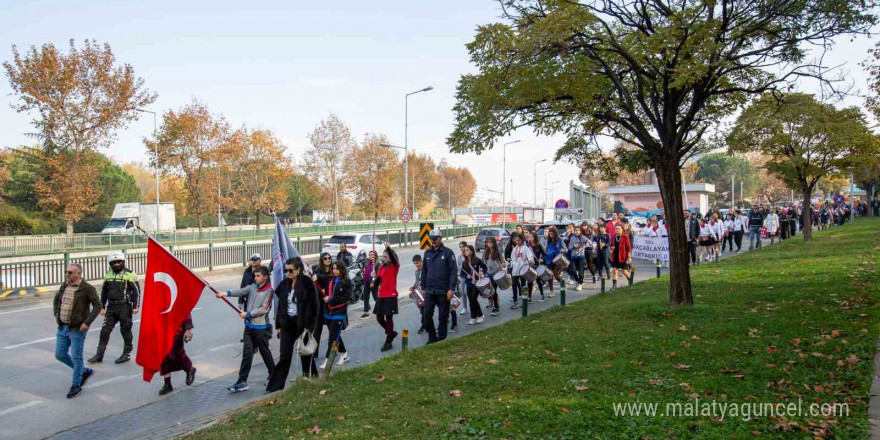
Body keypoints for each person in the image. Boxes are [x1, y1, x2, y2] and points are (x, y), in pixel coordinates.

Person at [216, 265, 275, 393]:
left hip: (261, 328)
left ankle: (273, 374)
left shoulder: (269, 291)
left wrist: (248, 314)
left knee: (265, 352)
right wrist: (225, 293)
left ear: (265, 277)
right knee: (247, 354)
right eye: (255, 275)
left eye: (258, 276)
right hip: (249, 327)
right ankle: (242, 381)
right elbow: (242, 291)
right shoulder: (252, 287)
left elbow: (264, 309)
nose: (256, 278)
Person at [266, 257, 320, 393]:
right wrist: (279, 324)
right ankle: (275, 386)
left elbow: (315, 306)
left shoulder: (307, 283)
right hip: (287, 323)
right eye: (286, 270)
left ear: (298, 270)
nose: (288, 273)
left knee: (305, 353)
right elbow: (280, 306)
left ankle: (311, 378)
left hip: (302, 324)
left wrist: (309, 325)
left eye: (290, 270)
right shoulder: (285, 284)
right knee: (284, 355)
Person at [54, 263, 101, 399]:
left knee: (76, 356)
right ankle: (84, 371)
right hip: (63, 327)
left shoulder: (87, 288)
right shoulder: (64, 285)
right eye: (66, 272)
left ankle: (76, 385)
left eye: (70, 272)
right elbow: (57, 300)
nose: (67, 274)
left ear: (78, 274)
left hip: (77, 329)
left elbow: (98, 306)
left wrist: (87, 322)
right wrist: (56, 315)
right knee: (60, 354)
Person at [89, 251, 140, 364]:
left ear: (123, 262)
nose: (116, 264)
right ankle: (99, 354)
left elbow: (136, 291)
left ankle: (126, 353)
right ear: (110, 263)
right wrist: (102, 306)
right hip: (111, 307)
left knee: (125, 330)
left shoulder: (130, 274)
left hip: (124, 307)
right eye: (114, 262)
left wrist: (136, 306)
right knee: (104, 331)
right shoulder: (108, 274)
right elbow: (104, 292)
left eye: (119, 262)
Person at [420, 229, 458, 344]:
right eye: (431, 239)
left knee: (443, 317)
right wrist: (423, 287)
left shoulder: (448, 253)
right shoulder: (427, 253)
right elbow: (424, 271)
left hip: (443, 291)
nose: (433, 241)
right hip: (430, 290)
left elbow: (453, 271)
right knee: (426, 315)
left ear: (440, 238)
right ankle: (432, 338)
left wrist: (451, 288)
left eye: (435, 238)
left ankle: (441, 338)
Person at [319, 262, 352, 368]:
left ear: (342, 270)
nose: (335, 271)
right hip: (328, 312)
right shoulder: (330, 280)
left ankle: (328, 360)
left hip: (339, 312)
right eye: (333, 269)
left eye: (337, 269)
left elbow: (346, 298)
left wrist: (331, 299)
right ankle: (344, 354)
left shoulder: (346, 281)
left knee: (332, 337)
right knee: (335, 335)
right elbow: (320, 277)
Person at [158, 314, 197, 395]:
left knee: (175, 353)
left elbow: (185, 308)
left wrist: (188, 328)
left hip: (177, 324)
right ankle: (167, 383)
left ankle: (189, 368)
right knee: (163, 353)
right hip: (162, 322)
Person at [374, 242, 401, 351]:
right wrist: (373, 280)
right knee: (379, 318)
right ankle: (391, 332)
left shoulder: (395, 266)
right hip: (382, 295)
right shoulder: (381, 268)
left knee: (389, 318)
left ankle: (388, 341)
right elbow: (378, 282)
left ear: (390, 257)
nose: (383, 258)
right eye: (383, 257)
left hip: (391, 295)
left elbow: (394, 260)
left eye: (385, 257)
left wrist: (389, 248)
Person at [462, 245, 487, 325]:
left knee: (473, 299)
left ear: (472, 251)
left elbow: (484, 267)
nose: (465, 252)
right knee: (471, 300)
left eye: (467, 250)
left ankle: (479, 315)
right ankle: (473, 317)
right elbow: (462, 274)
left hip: (476, 283)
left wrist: (482, 272)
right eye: (465, 250)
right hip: (469, 284)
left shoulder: (477, 260)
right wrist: (466, 276)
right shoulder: (464, 263)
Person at [508, 233, 535, 307]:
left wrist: (531, 260)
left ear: (522, 240)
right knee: (514, 284)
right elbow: (513, 258)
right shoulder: (515, 249)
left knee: (523, 285)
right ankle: (515, 302)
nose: (517, 242)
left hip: (523, 269)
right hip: (515, 270)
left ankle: (524, 301)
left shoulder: (525, 248)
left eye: (518, 240)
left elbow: (530, 256)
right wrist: (512, 263)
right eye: (516, 241)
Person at [483, 236, 507, 311]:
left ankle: (496, 306)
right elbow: (483, 263)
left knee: (493, 290)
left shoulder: (497, 251)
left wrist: (503, 264)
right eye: (488, 242)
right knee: (489, 290)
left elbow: (503, 261)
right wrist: (484, 271)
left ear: (494, 243)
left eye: (491, 242)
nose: (489, 244)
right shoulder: (485, 252)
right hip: (488, 274)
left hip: (496, 274)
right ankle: (492, 301)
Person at [544, 226, 566, 296]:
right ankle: (551, 291)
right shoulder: (549, 240)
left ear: (555, 234)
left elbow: (566, 248)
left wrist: (563, 250)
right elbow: (546, 250)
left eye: (552, 234)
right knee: (550, 276)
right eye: (550, 234)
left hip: (557, 261)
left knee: (556, 275)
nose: (551, 236)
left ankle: (563, 283)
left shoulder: (560, 240)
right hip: (549, 261)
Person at [608, 225, 632, 290]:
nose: (617, 230)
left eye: (618, 228)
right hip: (615, 256)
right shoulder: (613, 237)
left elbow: (628, 247)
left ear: (622, 230)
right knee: (615, 270)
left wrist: (629, 257)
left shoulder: (625, 236)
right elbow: (611, 246)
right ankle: (614, 286)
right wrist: (611, 248)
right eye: (616, 229)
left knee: (624, 271)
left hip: (623, 256)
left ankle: (631, 281)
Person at [526, 231, 547, 301]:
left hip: (537, 266)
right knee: (529, 282)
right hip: (530, 266)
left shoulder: (539, 246)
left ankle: (542, 295)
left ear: (535, 238)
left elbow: (544, 254)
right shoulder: (527, 246)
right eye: (529, 237)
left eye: (532, 237)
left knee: (538, 281)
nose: (530, 238)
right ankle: (529, 298)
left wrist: (542, 259)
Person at [360, 250, 379, 319]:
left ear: (375, 255)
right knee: (365, 297)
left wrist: (373, 282)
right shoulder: (367, 262)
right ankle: (366, 312)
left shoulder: (377, 264)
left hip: (373, 283)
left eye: (372, 255)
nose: (371, 256)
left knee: (375, 297)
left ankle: (381, 310)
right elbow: (366, 272)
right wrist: (363, 272)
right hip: (366, 282)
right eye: (370, 255)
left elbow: (377, 275)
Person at [410, 254, 426, 334]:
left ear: (421, 261)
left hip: (425, 293)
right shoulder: (416, 271)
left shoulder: (425, 270)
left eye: (417, 263)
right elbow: (416, 282)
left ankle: (423, 326)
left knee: (425, 311)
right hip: (419, 294)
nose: (416, 265)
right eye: (415, 263)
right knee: (421, 310)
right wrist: (413, 287)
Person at [568, 226, 586, 291]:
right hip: (573, 256)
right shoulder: (572, 238)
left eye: (578, 230)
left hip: (581, 256)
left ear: (580, 231)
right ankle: (577, 280)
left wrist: (588, 244)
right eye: (576, 230)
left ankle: (580, 283)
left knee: (581, 271)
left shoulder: (583, 237)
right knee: (572, 270)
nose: (577, 231)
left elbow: (589, 242)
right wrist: (573, 246)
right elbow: (569, 247)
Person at [456, 241, 470, 316]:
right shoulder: (458, 257)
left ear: (466, 247)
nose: (461, 248)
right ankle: (465, 308)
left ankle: (473, 307)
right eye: (460, 247)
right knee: (463, 294)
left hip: (469, 278)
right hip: (462, 277)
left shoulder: (468, 256)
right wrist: (457, 272)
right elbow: (458, 268)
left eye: (463, 246)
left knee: (466, 292)